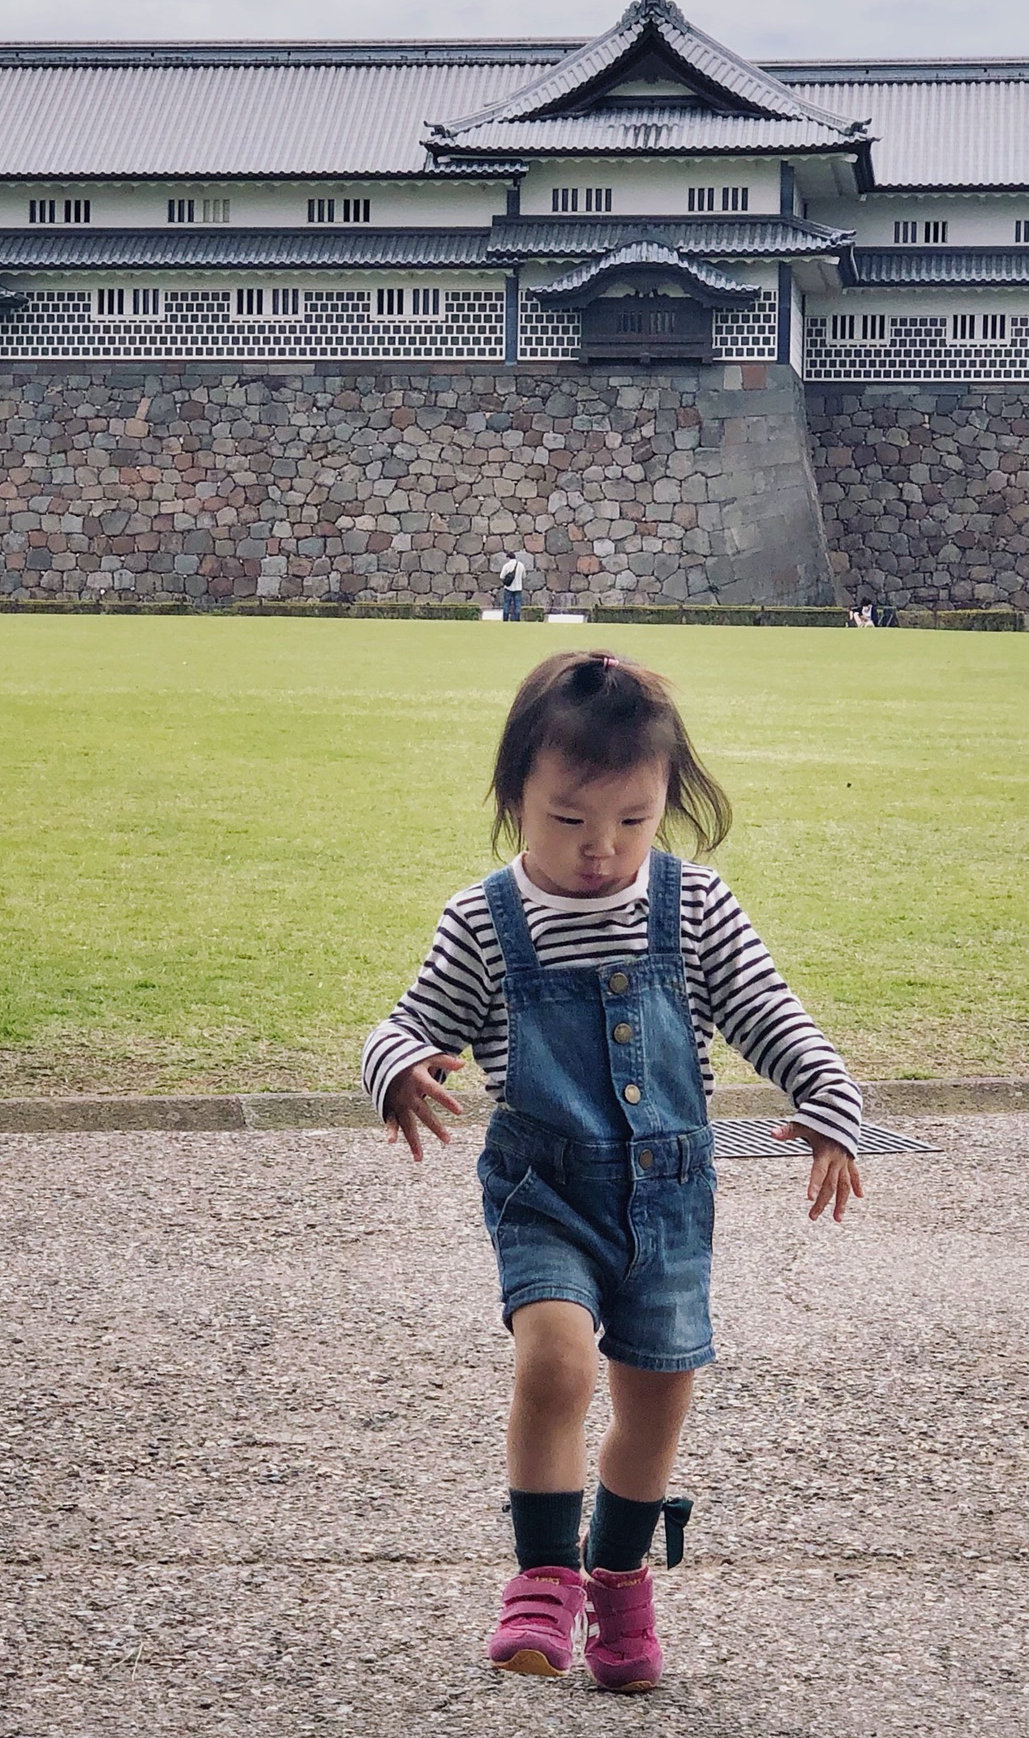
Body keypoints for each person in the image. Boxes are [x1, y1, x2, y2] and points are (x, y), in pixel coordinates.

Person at [364, 651, 865, 1693]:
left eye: (632, 822)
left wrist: (828, 1106)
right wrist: (398, 1065)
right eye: (568, 821)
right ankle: (543, 1578)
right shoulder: (484, 921)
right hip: (543, 1191)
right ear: (515, 801)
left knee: (655, 1405)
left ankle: (620, 1578)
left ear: (666, 802)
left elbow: (771, 1013)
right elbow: (414, 1021)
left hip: (671, 1203)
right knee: (557, 1366)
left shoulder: (694, 905)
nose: (600, 851)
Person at [499, 550, 528, 622]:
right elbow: (524, 576)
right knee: (517, 604)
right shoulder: (521, 565)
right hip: (518, 587)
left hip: (508, 588)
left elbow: (501, 576)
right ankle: (517, 619)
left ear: (508, 558)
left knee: (507, 604)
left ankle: (505, 619)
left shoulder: (506, 566)